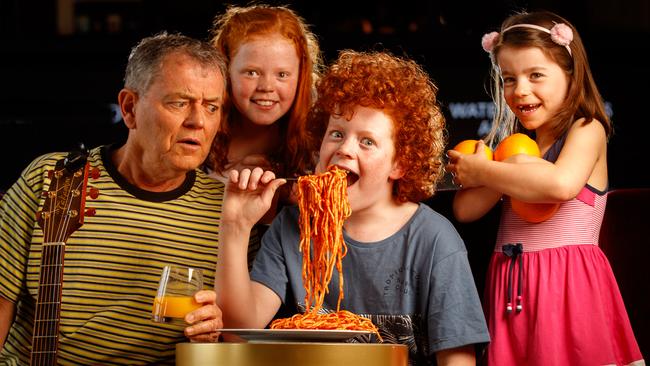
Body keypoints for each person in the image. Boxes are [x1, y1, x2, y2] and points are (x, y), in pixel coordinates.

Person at [217, 50, 490, 365]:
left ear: (400, 163)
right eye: (336, 134)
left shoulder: (433, 240)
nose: (344, 149)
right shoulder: (293, 227)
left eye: (367, 142)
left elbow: (457, 359)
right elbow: (239, 331)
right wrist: (235, 227)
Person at [0, 32, 227, 364]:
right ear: (130, 108)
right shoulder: (52, 178)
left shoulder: (226, 211)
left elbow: (237, 333)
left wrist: (216, 332)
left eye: (212, 107)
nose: (198, 121)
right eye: (179, 102)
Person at [446, 11, 644, 366]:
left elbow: (561, 185)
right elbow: (466, 210)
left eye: (535, 75)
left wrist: (488, 169)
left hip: (569, 285)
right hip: (514, 288)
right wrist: (491, 169)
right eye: (508, 79)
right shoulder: (514, 146)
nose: (520, 90)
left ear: (571, 75)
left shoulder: (587, 128)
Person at [205, 3, 322, 185]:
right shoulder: (200, 125)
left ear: (301, 76)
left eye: (282, 75)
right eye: (251, 72)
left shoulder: (320, 132)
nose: (267, 87)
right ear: (225, 69)